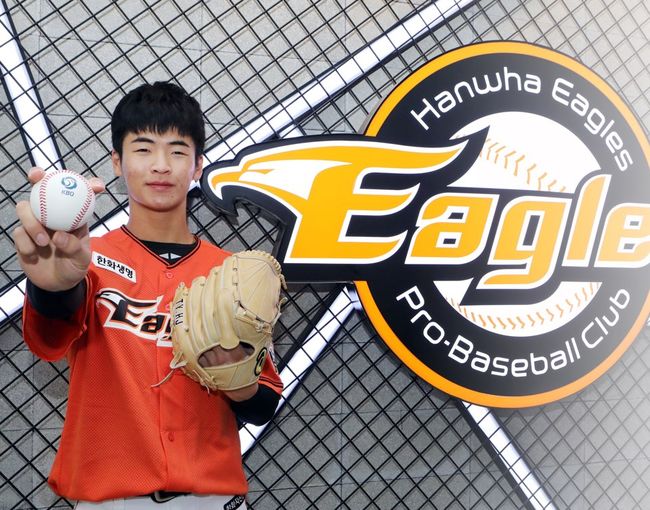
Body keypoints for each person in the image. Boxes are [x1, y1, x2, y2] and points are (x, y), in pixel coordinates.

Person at [13, 82, 283, 509]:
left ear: (197, 166)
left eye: (177, 150)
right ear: (117, 162)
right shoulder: (85, 261)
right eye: (143, 149)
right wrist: (53, 286)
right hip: (111, 499)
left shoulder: (232, 275)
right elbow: (48, 340)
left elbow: (263, 405)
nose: (161, 165)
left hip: (211, 499)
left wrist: (238, 378)